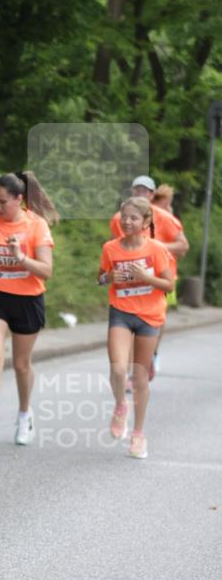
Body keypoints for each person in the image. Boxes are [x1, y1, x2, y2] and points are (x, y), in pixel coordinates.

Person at [0, 171, 58, 450]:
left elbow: (47, 270)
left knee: (21, 364)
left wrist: (21, 258)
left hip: (28, 299)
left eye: (3, 202)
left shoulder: (36, 225)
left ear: (19, 199)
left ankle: (24, 414)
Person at [98, 197, 174, 459]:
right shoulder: (110, 248)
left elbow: (168, 285)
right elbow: (100, 277)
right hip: (121, 311)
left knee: (140, 378)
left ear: (146, 222)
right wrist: (109, 277)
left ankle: (138, 434)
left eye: (133, 217)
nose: (127, 221)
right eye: (124, 216)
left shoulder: (155, 249)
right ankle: (121, 405)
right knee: (118, 369)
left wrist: (146, 278)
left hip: (149, 316)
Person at [109, 176, 188, 377]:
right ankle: (133, 371)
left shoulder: (164, 217)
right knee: (131, 319)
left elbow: (183, 246)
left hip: (162, 276)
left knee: (155, 319)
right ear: (132, 192)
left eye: (145, 191)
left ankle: (151, 352)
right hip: (131, 277)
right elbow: (114, 245)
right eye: (137, 190)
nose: (141, 194)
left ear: (152, 196)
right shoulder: (120, 217)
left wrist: (156, 248)